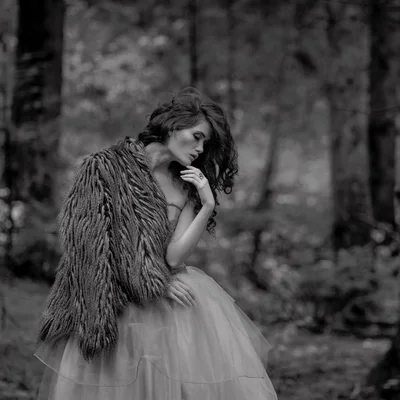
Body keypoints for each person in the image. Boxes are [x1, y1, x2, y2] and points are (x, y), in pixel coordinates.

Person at [33, 87, 278, 400]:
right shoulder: (104, 168)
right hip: (114, 304)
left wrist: (205, 204)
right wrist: (153, 282)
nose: (201, 149)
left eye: (207, 143)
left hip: (170, 310)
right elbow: (89, 245)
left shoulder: (185, 184)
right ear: (174, 127)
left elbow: (174, 258)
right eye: (198, 136)